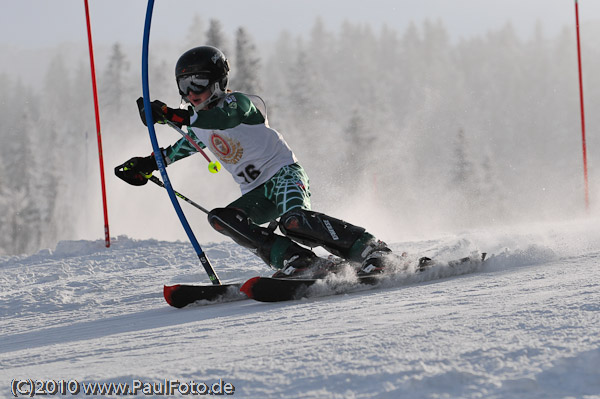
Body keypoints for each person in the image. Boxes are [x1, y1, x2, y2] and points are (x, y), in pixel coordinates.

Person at [116, 45, 394, 278]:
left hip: (284, 174)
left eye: (197, 83)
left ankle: (371, 248)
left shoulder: (238, 104)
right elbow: (180, 148)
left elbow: (225, 119)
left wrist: (173, 115)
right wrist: (147, 164)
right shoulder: (198, 124)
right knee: (221, 218)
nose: (191, 93)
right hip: (257, 193)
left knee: (294, 221)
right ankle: (300, 262)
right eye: (184, 85)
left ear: (217, 82)